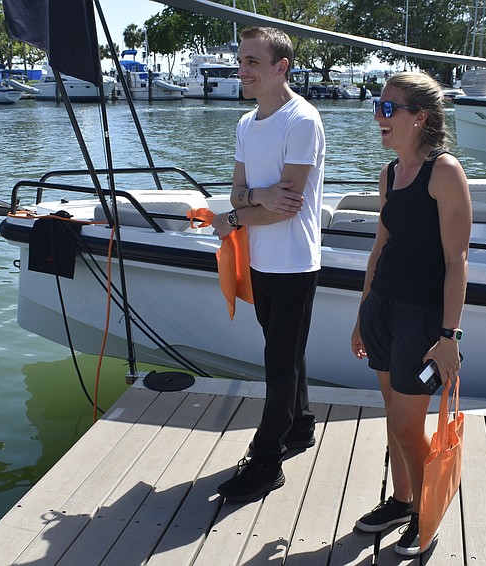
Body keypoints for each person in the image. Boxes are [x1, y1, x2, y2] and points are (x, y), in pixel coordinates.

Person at [350, 72, 471, 555]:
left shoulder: (444, 172)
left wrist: (449, 336)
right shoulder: (388, 174)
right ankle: (402, 499)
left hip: (422, 320)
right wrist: (362, 313)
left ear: (419, 117)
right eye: (378, 107)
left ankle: (428, 511)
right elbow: (380, 246)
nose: (378, 117)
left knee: (406, 424)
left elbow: (457, 260)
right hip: (382, 308)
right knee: (393, 415)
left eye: (387, 108)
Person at [211, 26, 326, 503]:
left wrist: (235, 214)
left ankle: (265, 464)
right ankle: (299, 426)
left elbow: (287, 207)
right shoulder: (245, 123)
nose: (243, 71)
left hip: (296, 263)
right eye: (241, 61)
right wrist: (251, 200)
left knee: (277, 365)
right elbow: (244, 192)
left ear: (282, 68)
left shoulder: (302, 121)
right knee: (285, 353)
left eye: (253, 62)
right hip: (260, 260)